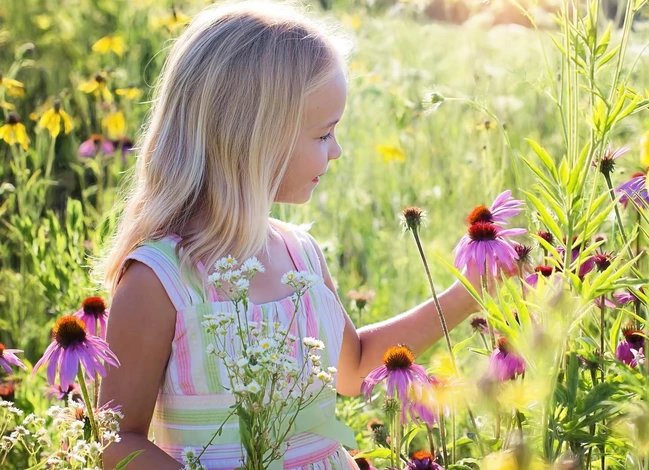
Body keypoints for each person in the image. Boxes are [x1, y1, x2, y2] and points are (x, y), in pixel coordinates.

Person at [96, 2, 484, 468]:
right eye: (324, 135)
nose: (337, 151)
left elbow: (354, 368)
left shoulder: (300, 254)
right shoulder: (160, 280)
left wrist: (470, 293)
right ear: (254, 138)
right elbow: (117, 441)